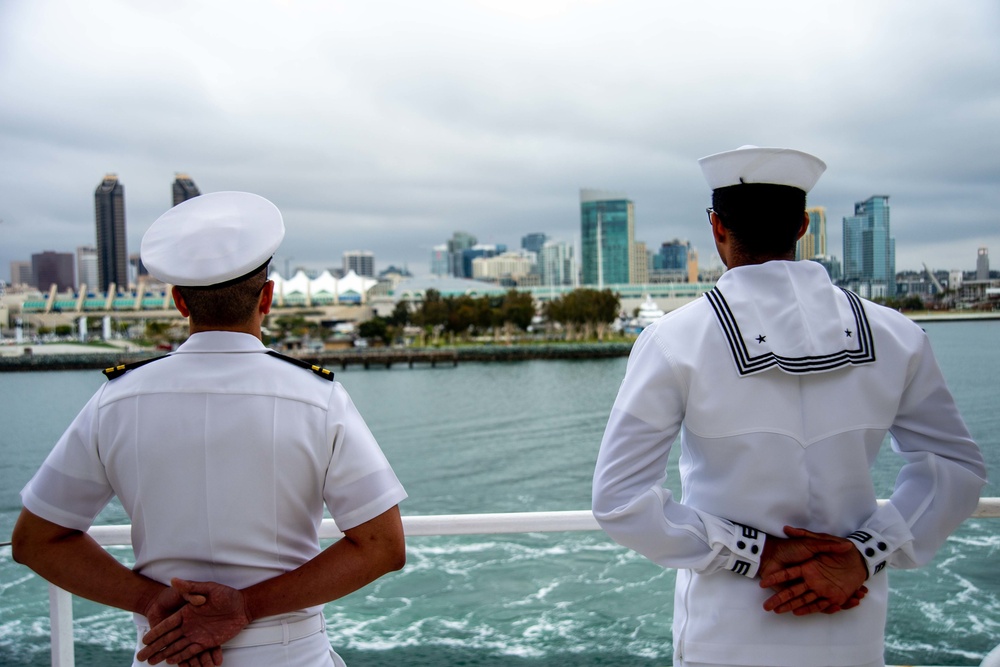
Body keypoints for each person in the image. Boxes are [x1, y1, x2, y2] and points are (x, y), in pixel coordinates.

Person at [591, 146, 987, 667]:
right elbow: (956, 469)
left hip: (724, 635)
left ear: (717, 229)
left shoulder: (674, 341)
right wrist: (862, 554)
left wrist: (759, 554)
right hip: (852, 623)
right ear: (802, 226)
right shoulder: (897, 335)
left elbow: (619, 501)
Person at [13, 191, 408, 667]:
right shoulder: (318, 399)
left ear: (179, 301)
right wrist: (245, 607)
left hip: (165, 650)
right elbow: (382, 546)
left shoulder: (115, 400)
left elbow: (37, 539)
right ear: (268, 297)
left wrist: (150, 601)